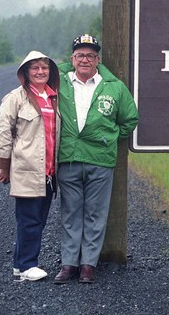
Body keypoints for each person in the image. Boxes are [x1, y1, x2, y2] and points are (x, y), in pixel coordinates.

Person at [53, 34, 138, 284]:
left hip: (100, 160)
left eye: (90, 55)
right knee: (70, 213)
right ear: (72, 59)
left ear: (98, 59)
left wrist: (110, 138)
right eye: (80, 55)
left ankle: (88, 264)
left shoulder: (114, 87)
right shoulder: (61, 81)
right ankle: (68, 264)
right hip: (68, 158)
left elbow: (130, 119)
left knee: (95, 214)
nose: (85, 59)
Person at [0, 51, 60, 282]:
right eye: (35, 68)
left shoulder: (53, 97)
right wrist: (4, 166)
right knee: (29, 219)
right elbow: (2, 131)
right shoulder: (16, 97)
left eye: (45, 68)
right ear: (25, 73)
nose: (41, 72)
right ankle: (27, 266)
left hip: (50, 170)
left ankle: (18, 265)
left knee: (38, 220)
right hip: (27, 168)